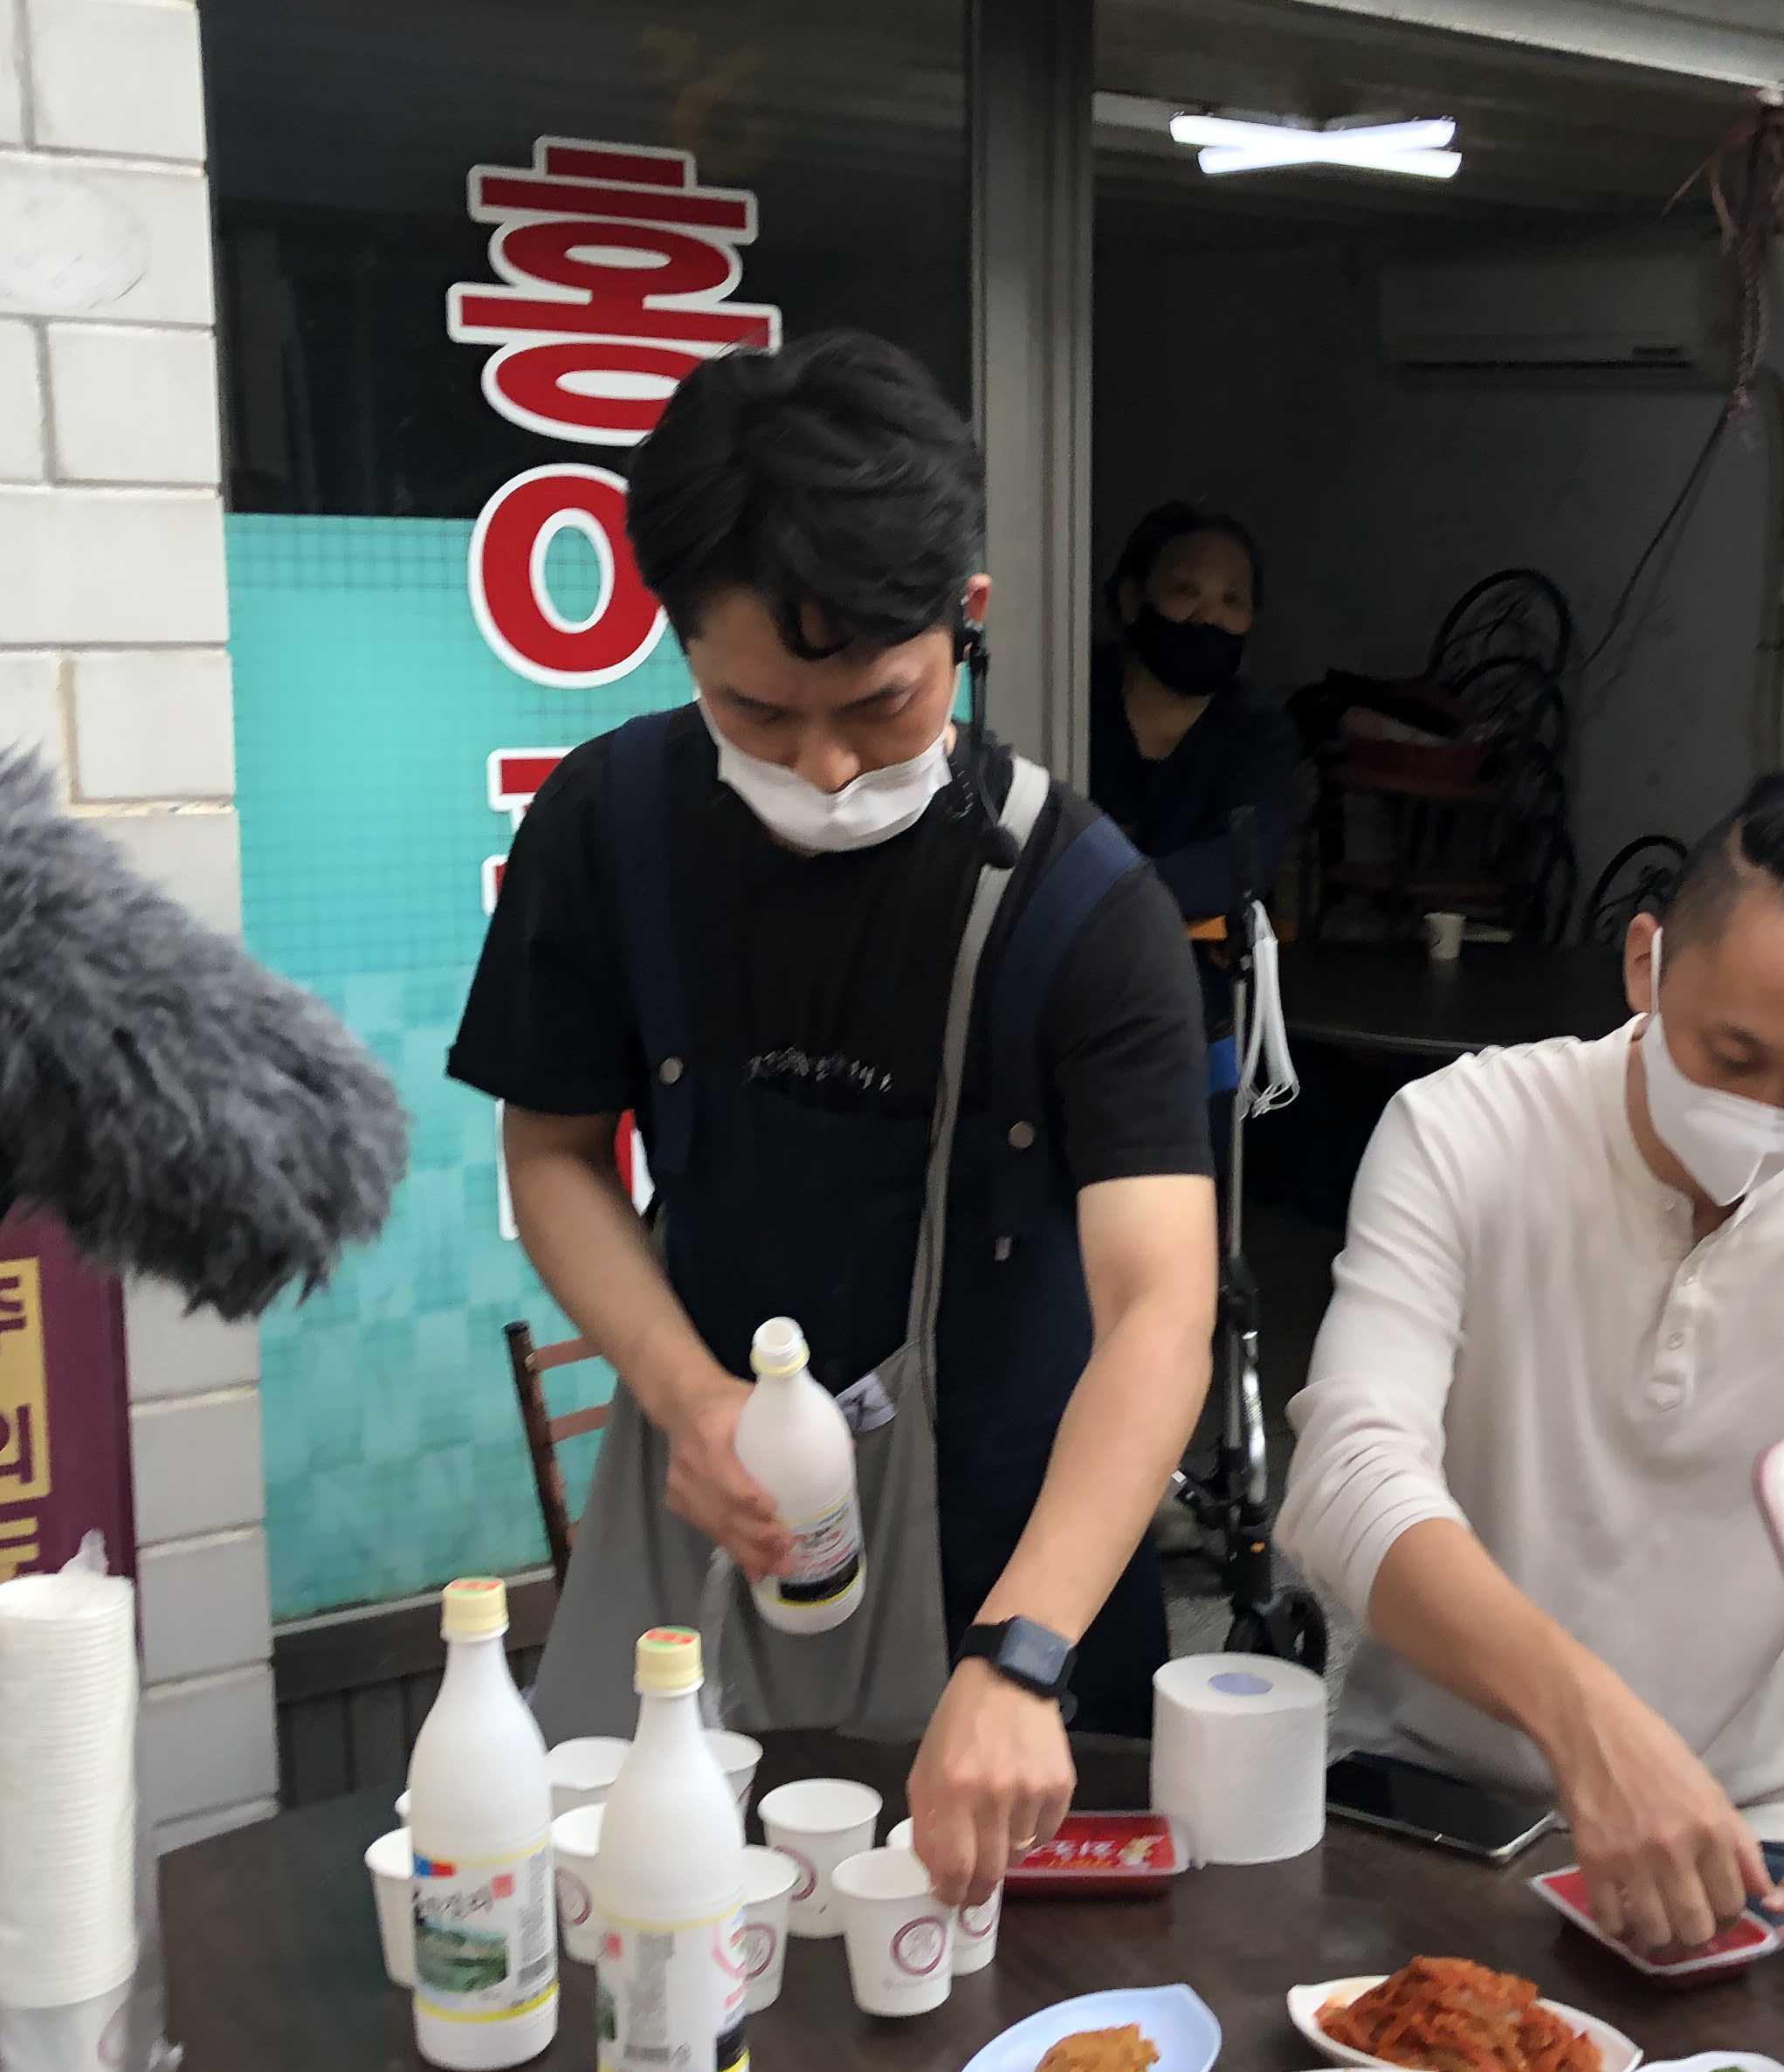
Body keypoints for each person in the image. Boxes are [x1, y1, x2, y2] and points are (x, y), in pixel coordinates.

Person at [450, 337, 1219, 1905]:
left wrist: (1023, 1650)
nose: (822, 763)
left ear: (967, 617)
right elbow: (554, 1152)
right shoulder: (607, 828)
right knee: (652, 1926)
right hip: (707, 1502)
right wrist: (684, 1395)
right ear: (678, 639)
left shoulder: (1081, 903)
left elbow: (1161, 1305)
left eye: (880, 705)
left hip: (1018, 1534)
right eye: (757, 708)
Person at [1278, 735, 1784, 1968]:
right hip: (1446, 1783)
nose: (1765, 1118)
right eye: (1732, 1058)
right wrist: (1589, 1725)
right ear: (1643, 961)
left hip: (1760, 1833)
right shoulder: (1464, 1135)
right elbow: (1348, 1481)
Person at [1090, 501, 1302, 937]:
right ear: (1132, 600)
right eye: (1186, 592)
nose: (1208, 618)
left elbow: (1239, 865)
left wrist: (1102, 892)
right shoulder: (1071, 701)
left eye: (1232, 600)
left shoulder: (1260, 732)